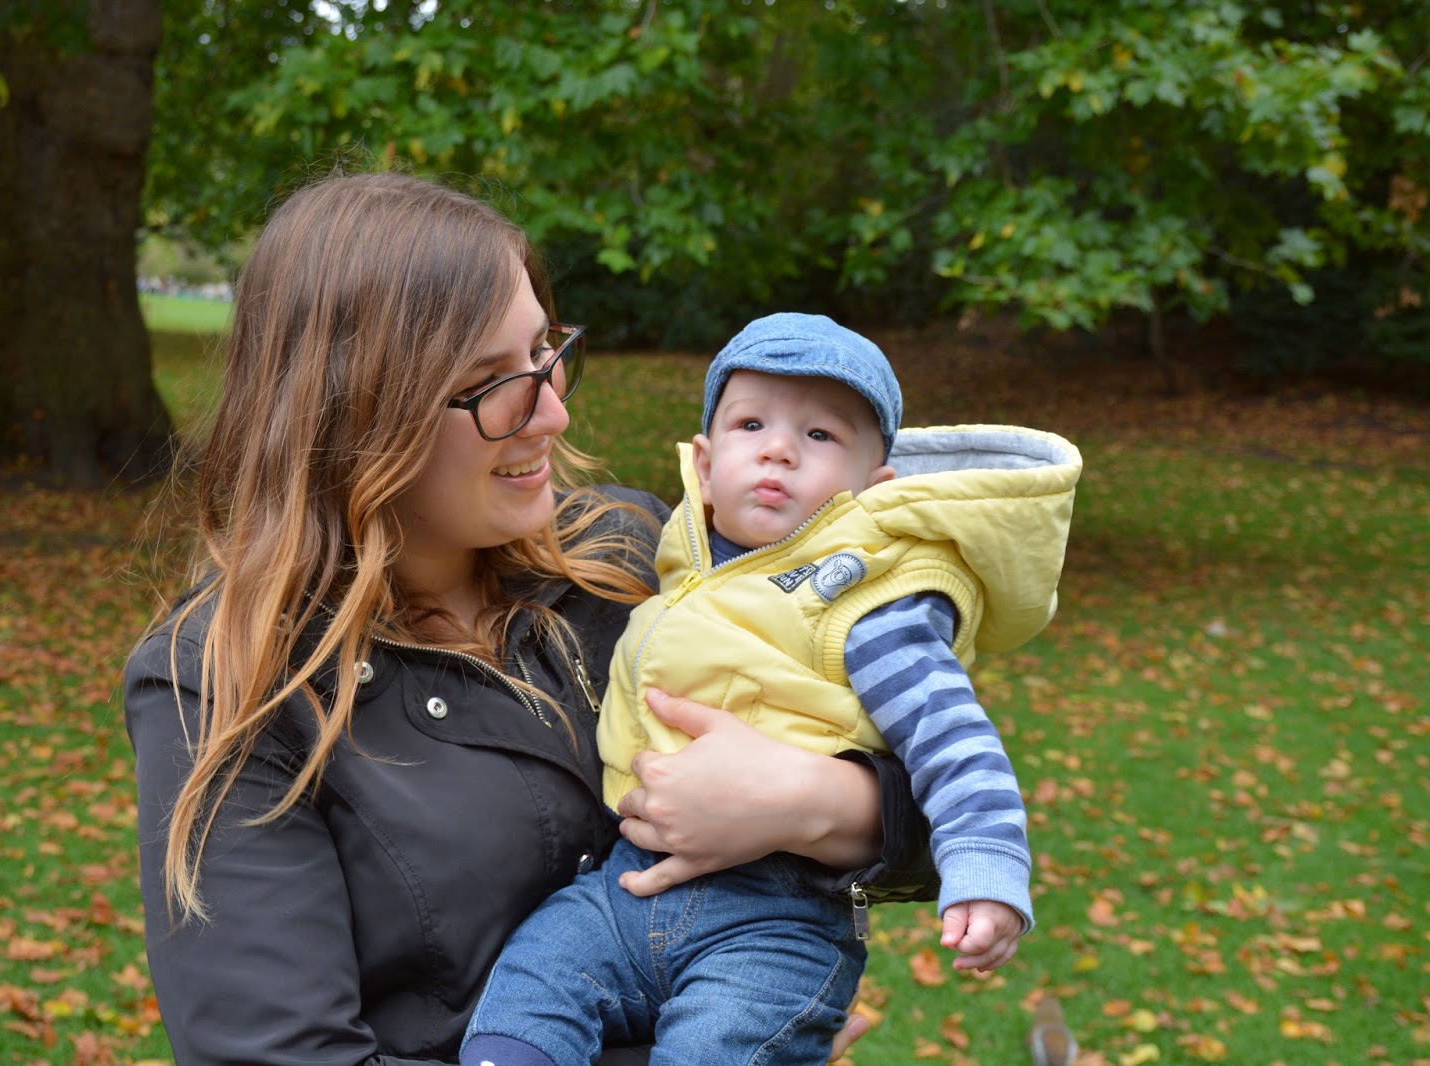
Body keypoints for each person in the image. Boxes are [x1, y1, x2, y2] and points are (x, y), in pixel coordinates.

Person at [123, 174, 944, 1065]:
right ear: (356, 414)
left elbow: (946, 791)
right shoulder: (229, 680)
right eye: (492, 385)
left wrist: (819, 804)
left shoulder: (632, 555)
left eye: (545, 355)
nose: (553, 412)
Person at [460, 313, 1083, 1066]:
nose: (779, 449)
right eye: (751, 424)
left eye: (821, 435)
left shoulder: (864, 601)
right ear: (704, 463)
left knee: (719, 1044)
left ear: (873, 489)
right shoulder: (675, 561)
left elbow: (949, 736)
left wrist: (986, 864)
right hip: (627, 887)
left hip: (777, 919)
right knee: (534, 980)